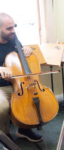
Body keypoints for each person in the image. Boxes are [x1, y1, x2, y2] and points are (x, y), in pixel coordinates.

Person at [0, 13, 42, 150]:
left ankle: (24, 129)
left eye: (14, 27)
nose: (13, 31)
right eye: (9, 28)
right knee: (2, 106)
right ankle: (5, 134)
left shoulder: (13, 39)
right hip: (2, 87)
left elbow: (22, 59)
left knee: (34, 98)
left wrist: (26, 50)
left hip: (19, 83)